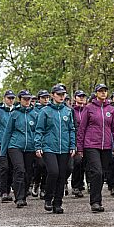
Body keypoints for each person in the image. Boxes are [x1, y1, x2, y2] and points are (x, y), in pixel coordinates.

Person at [76, 84, 114, 213]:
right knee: (97, 172)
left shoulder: (111, 109)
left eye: (105, 91)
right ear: (96, 93)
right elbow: (82, 128)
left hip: (106, 146)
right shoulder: (89, 108)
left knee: (102, 174)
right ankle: (95, 201)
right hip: (91, 145)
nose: (102, 93)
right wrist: (80, 147)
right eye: (100, 91)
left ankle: (98, 200)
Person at [35, 85, 76, 214]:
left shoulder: (68, 111)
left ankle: (58, 203)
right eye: (59, 94)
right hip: (49, 147)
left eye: (63, 94)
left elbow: (71, 129)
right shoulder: (45, 111)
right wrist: (38, 146)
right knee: (53, 172)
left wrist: (72, 145)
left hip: (64, 148)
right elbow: (39, 130)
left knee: (62, 175)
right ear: (53, 95)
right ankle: (48, 197)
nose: (61, 96)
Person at [0, 90, 38, 208]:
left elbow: (38, 131)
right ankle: (19, 197)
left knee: (28, 172)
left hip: (30, 147)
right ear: (20, 99)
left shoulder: (35, 114)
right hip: (15, 146)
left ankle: (24, 194)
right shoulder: (14, 114)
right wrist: (3, 151)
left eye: (29, 99)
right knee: (19, 170)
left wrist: (38, 147)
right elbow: (7, 132)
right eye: (25, 99)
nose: (27, 101)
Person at [0, 90, 16, 202]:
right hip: (0, 143)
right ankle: (3, 191)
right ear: (4, 98)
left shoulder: (16, 111)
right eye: (8, 98)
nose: (10, 100)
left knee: (11, 168)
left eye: (12, 98)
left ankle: (8, 189)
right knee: (3, 167)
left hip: (13, 144)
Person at [32, 89, 50, 199]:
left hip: (49, 142)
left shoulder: (50, 109)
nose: (46, 99)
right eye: (43, 97)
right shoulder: (35, 111)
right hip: (38, 141)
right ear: (39, 99)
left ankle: (44, 188)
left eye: (47, 97)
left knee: (48, 167)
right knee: (39, 165)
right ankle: (36, 182)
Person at [71, 90, 87, 198]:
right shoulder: (71, 111)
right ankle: (76, 185)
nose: (81, 98)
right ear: (75, 98)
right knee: (77, 162)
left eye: (83, 96)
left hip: (89, 140)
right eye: (79, 96)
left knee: (87, 163)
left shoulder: (89, 110)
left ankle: (84, 184)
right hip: (76, 140)